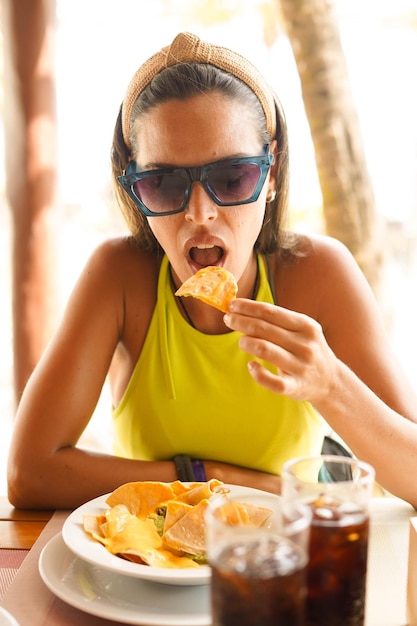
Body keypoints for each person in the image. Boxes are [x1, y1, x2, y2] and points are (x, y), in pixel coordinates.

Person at [7, 32, 417, 510]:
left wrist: (331, 385)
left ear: (272, 175)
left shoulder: (319, 275)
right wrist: (214, 478)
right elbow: (28, 474)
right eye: (163, 183)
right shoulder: (117, 278)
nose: (199, 213)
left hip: (275, 568)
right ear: (137, 191)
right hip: (145, 566)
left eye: (231, 177)